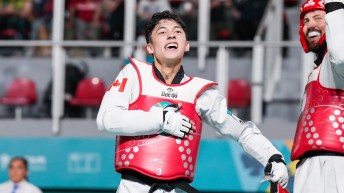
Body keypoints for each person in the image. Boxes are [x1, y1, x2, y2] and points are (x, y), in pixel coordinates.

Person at [97, 11, 288, 193]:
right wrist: (162, 121)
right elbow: (106, 120)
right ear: (150, 47)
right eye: (162, 32)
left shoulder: (200, 92)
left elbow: (241, 130)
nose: (171, 35)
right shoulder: (133, 74)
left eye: (177, 32)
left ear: (186, 44)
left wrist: (274, 157)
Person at [291, 0, 344, 193]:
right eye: (306, 20)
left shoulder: (335, 66)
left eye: (318, 18)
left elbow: (341, 56)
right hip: (311, 166)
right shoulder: (316, 71)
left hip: (333, 164)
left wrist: (335, 5)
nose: (310, 24)